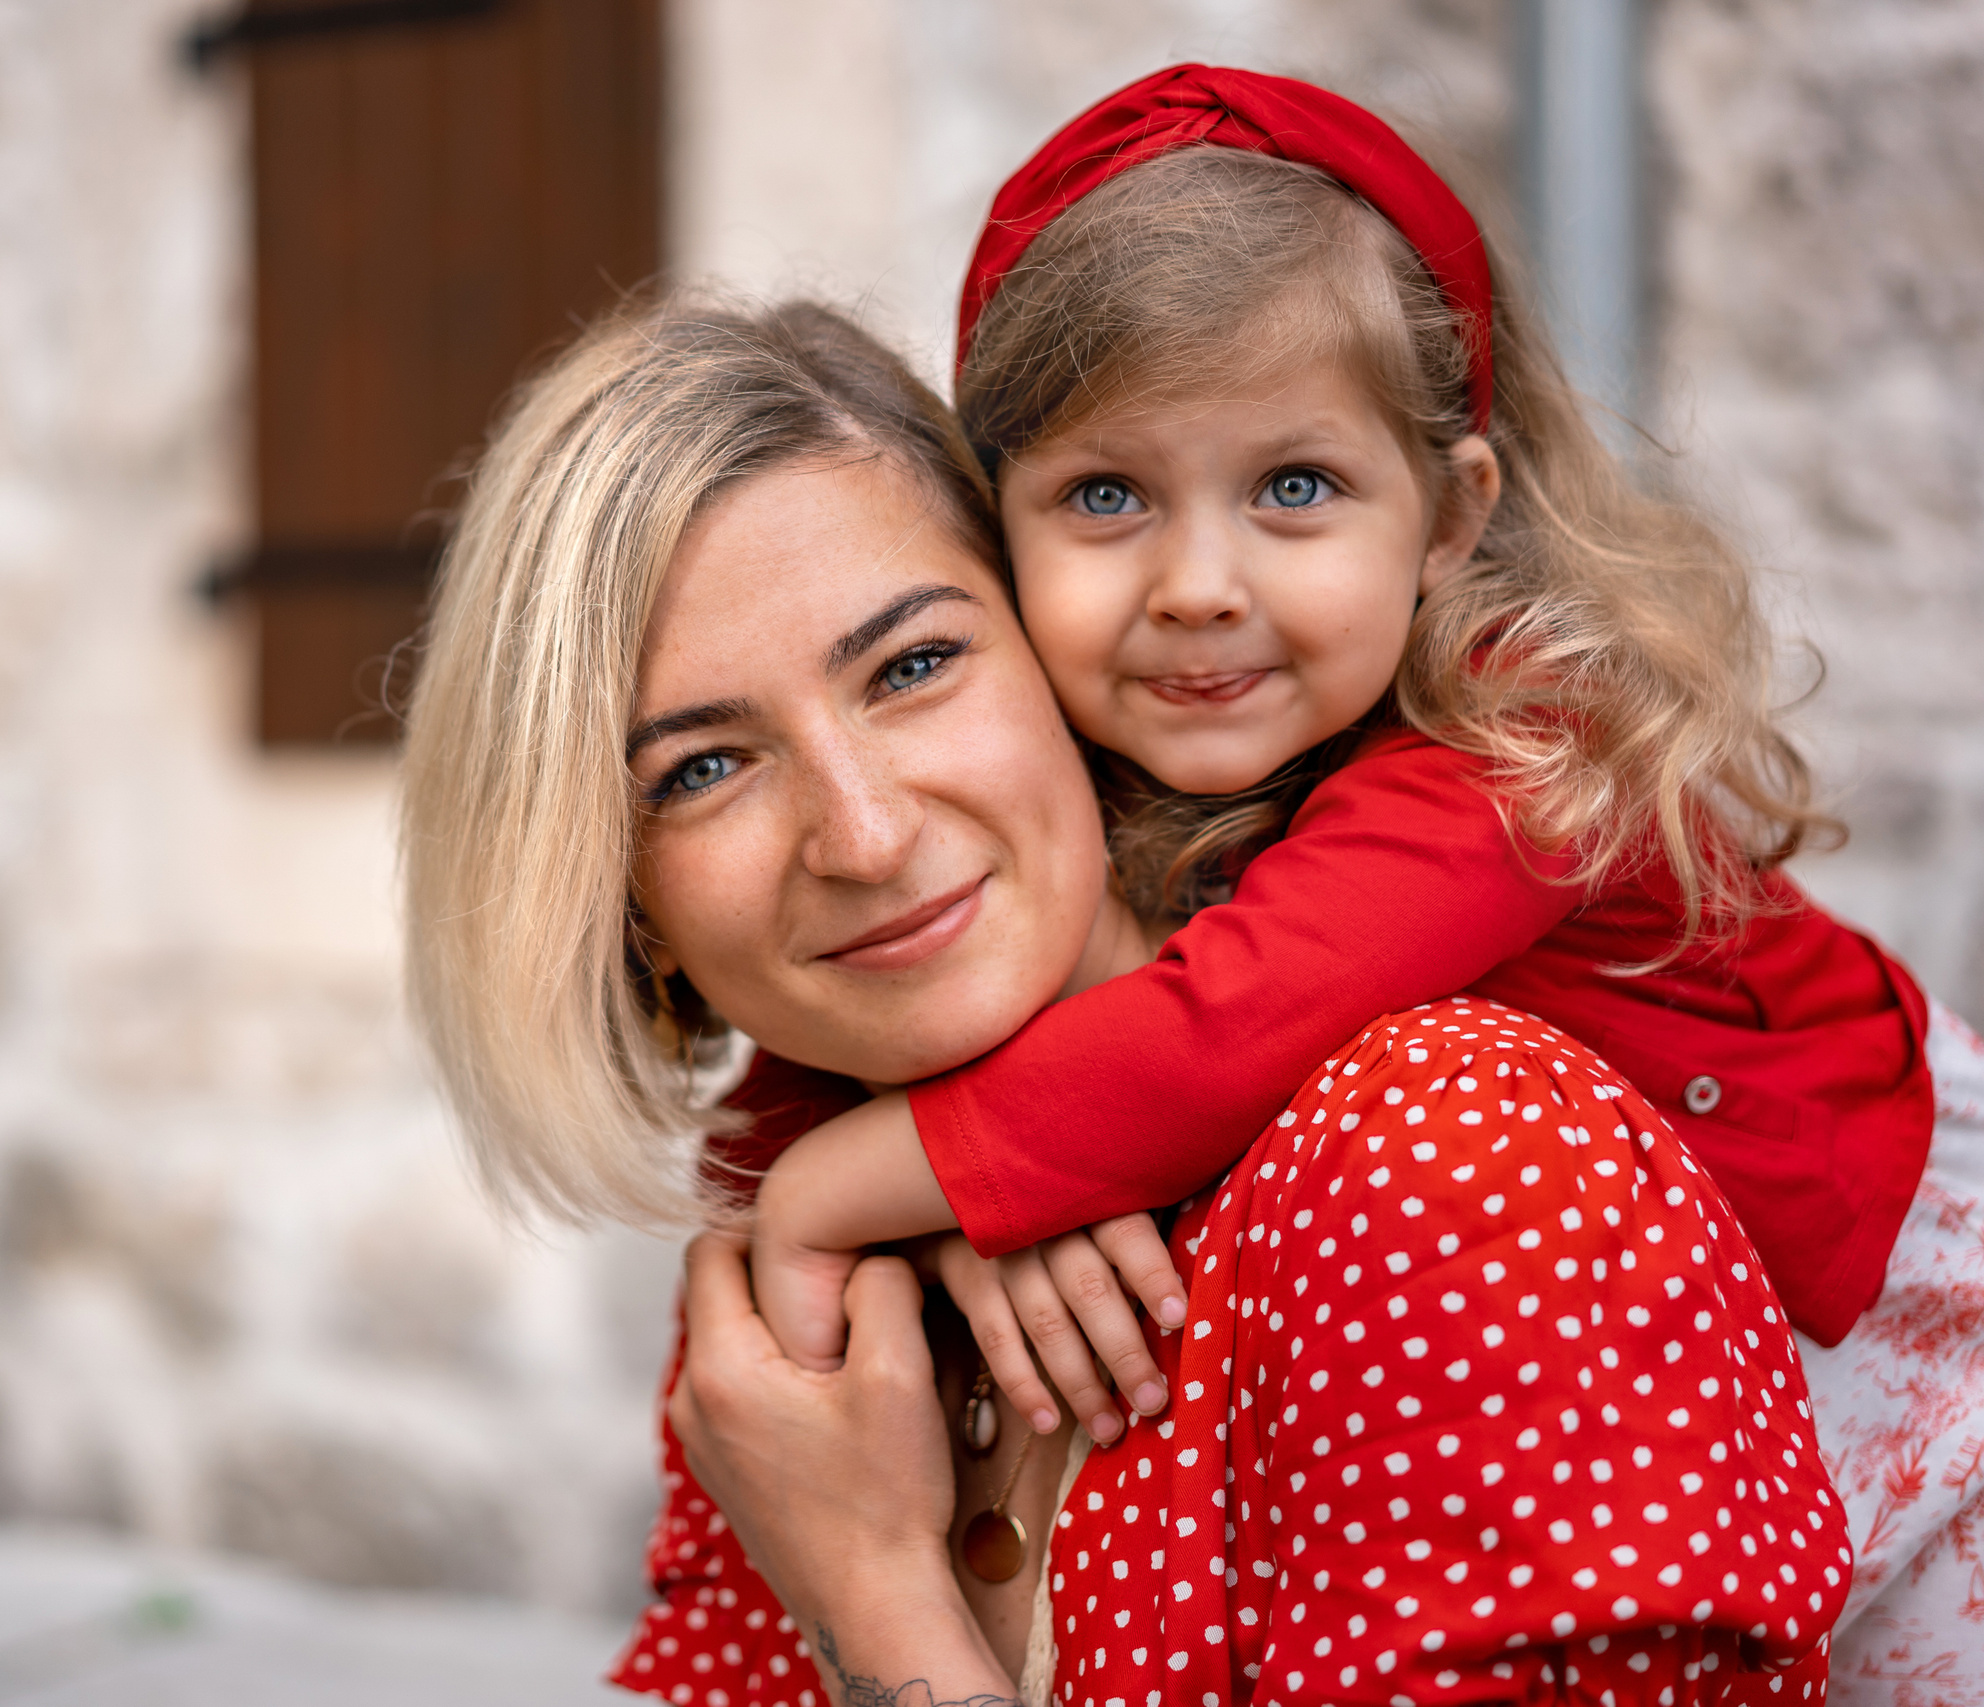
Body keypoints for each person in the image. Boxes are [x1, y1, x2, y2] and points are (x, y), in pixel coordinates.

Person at [397, 293, 1846, 1704]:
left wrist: (871, 1599)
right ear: (628, 904)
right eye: (703, 769)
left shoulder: (1439, 1153)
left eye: (913, 665)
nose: (867, 836)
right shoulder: (793, 1266)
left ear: (1056, 651)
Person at [724, 69, 1984, 1683]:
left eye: (1295, 489)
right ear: (998, 534)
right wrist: (934, 1205)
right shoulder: (1075, 773)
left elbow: (1214, 1041)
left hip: (1887, 1315)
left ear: (1451, 517)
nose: (1196, 587)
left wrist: (841, 1204)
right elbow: (871, 1056)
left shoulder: (1525, 748)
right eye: (1105, 496)